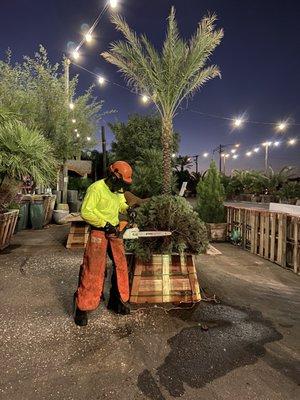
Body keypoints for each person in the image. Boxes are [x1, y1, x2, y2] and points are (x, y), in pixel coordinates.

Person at [73, 161, 135, 327]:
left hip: (114, 231)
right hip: (99, 232)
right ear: (114, 176)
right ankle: (81, 307)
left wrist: (127, 209)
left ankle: (117, 300)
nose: (121, 188)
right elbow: (86, 211)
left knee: (121, 265)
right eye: (120, 183)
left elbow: (120, 202)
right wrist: (103, 223)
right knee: (93, 268)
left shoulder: (117, 190)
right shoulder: (96, 188)